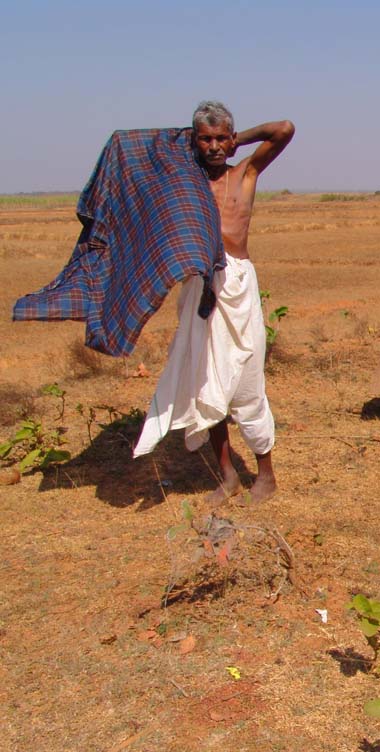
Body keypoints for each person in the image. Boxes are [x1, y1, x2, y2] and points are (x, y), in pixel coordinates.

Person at [132, 101, 294, 506]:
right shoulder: (186, 188)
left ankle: (266, 475)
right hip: (200, 289)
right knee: (207, 384)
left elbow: (284, 128)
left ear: (232, 139)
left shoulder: (246, 173)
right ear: (195, 141)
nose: (215, 146)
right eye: (206, 138)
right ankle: (227, 476)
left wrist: (241, 139)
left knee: (247, 383)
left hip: (238, 286)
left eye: (222, 137)